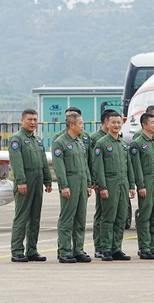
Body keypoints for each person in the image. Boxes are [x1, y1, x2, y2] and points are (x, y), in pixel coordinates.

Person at [8, 109, 52, 262]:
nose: (33, 122)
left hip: (37, 181)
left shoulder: (37, 140)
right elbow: (17, 163)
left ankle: (32, 250)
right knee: (22, 217)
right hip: (25, 181)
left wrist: (47, 180)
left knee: (35, 218)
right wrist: (21, 181)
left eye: (35, 120)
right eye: (29, 119)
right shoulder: (17, 139)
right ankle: (17, 251)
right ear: (22, 121)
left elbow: (43, 161)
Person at [92, 111, 135, 261]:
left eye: (118, 122)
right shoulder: (101, 144)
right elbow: (98, 168)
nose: (116, 125)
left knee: (121, 217)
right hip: (110, 184)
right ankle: (105, 248)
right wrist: (103, 187)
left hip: (123, 184)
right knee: (108, 217)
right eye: (113, 122)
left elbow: (129, 166)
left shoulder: (123, 144)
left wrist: (131, 185)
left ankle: (116, 248)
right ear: (107, 124)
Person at [52, 113, 93, 263]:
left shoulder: (80, 142)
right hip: (70, 182)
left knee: (80, 218)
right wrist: (64, 185)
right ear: (71, 125)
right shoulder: (60, 143)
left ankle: (78, 250)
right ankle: (64, 250)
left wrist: (88, 183)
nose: (83, 126)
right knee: (67, 218)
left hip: (82, 182)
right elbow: (59, 167)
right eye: (80, 124)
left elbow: (85, 164)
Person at [130, 113, 154, 260]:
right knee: (145, 216)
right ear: (144, 125)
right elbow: (137, 167)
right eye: (152, 122)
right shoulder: (137, 143)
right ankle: (144, 247)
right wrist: (140, 185)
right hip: (146, 182)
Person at [90, 108, 116, 259]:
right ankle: (99, 245)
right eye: (113, 121)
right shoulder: (96, 139)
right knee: (101, 213)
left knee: (112, 214)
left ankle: (111, 246)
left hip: (114, 182)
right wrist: (95, 181)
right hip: (102, 181)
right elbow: (92, 161)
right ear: (107, 122)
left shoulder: (116, 139)